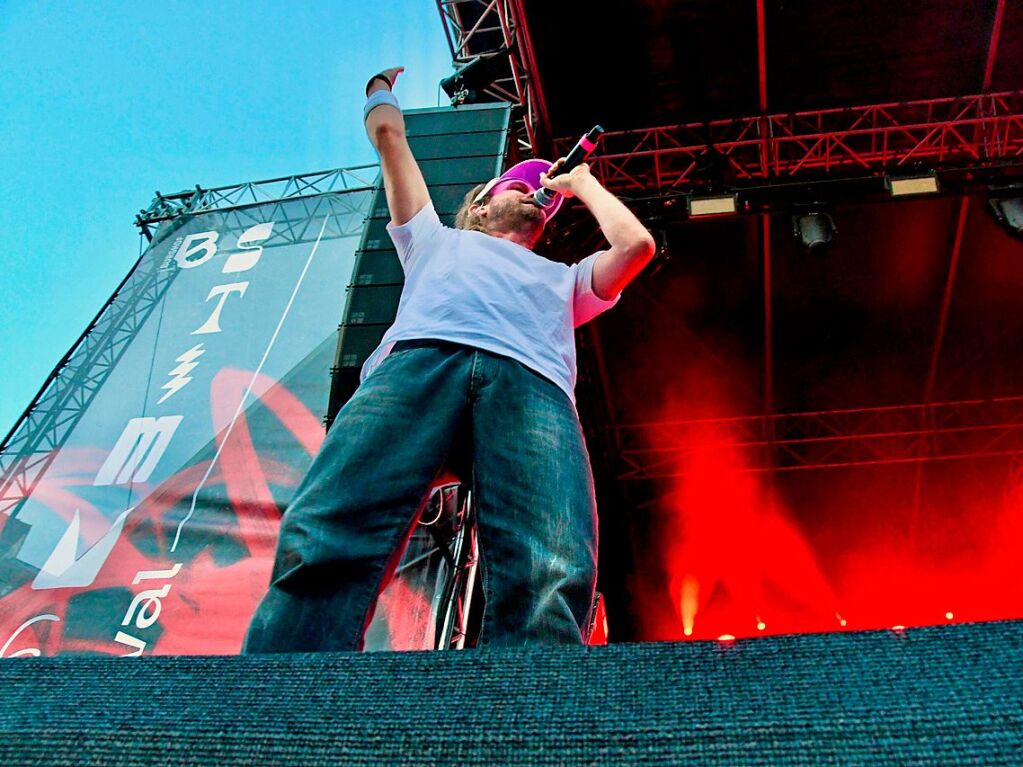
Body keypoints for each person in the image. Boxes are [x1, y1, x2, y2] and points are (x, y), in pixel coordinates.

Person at [242, 67, 655, 653]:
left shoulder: (566, 280)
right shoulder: (432, 238)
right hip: (418, 365)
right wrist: (378, 89)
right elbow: (391, 140)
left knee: (549, 567)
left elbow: (635, 247)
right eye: (520, 185)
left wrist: (582, 184)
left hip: (530, 386)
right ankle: (279, 707)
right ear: (481, 205)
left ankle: (528, 728)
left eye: (542, 191)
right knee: (331, 534)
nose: (535, 193)